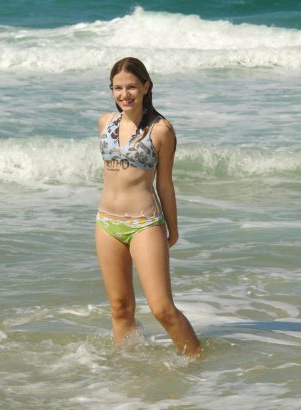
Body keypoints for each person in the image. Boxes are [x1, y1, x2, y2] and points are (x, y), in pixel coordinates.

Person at [95, 57, 201, 356]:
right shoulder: (105, 122)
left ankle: (198, 361)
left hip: (144, 224)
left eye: (131, 87)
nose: (124, 94)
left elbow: (164, 184)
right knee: (120, 308)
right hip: (106, 224)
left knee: (162, 309)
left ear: (146, 86)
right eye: (117, 88)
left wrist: (172, 229)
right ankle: (130, 367)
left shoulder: (161, 130)